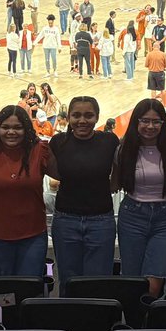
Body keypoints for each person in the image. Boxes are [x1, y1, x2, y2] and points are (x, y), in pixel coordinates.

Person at [47, 96, 119, 286]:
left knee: (98, 282)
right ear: (69, 117)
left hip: (101, 221)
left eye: (88, 115)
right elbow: (54, 172)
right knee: (69, 281)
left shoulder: (109, 141)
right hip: (65, 221)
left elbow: (119, 172)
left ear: (97, 117)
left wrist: (104, 188)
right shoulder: (58, 142)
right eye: (76, 115)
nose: (82, 121)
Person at [0, 105, 51, 276]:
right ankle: (4, 305)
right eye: (6, 127)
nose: (11, 132)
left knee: (30, 285)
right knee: (5, 289)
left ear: (26, 129)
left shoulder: (40, 151)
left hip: (33, 234)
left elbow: (62, 176)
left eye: (18, 127)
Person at [114, 98, 166, 298]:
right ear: (136, 122)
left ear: (163, 123)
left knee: (155, 281)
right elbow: (114, 183)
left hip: (165, 217)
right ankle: (133, 324)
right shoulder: (123, 149)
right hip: (132, 215)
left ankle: (148, 323)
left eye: (156, 121)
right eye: (145, 121)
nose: (150, 126)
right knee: (132, 278)